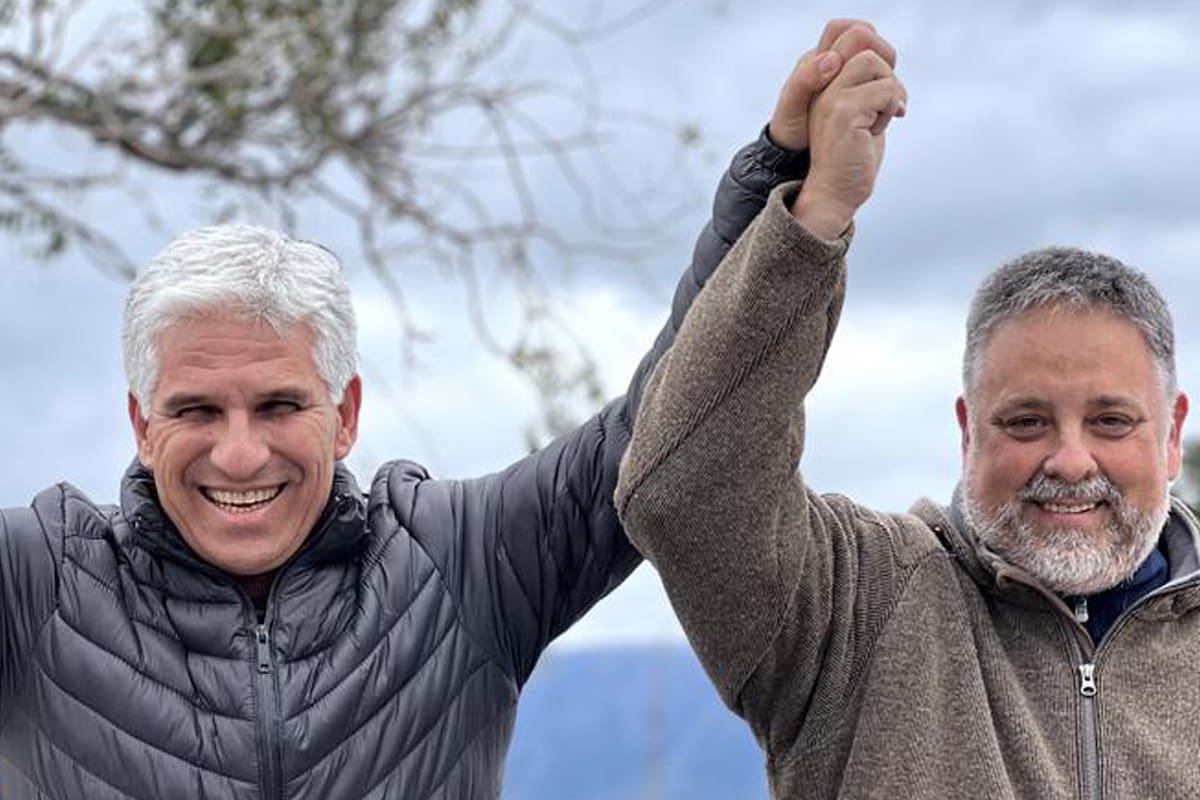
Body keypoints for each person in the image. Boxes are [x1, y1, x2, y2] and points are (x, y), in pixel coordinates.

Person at [0, 21, 897, 799]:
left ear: (345, 412)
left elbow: (663, 425)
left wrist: (787, 189)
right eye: (196, 411)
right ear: (140, 423)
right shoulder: (37, 583)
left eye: (280, 405)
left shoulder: (459, 562)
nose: (240, 455)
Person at [615, 20, 1199, 800]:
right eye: (1024, 421)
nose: (1068, 459)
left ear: (1171, 435)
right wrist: (817, 209)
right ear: (967, 430)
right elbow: (685, 491)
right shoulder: (857, 604)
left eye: (1110, 421)